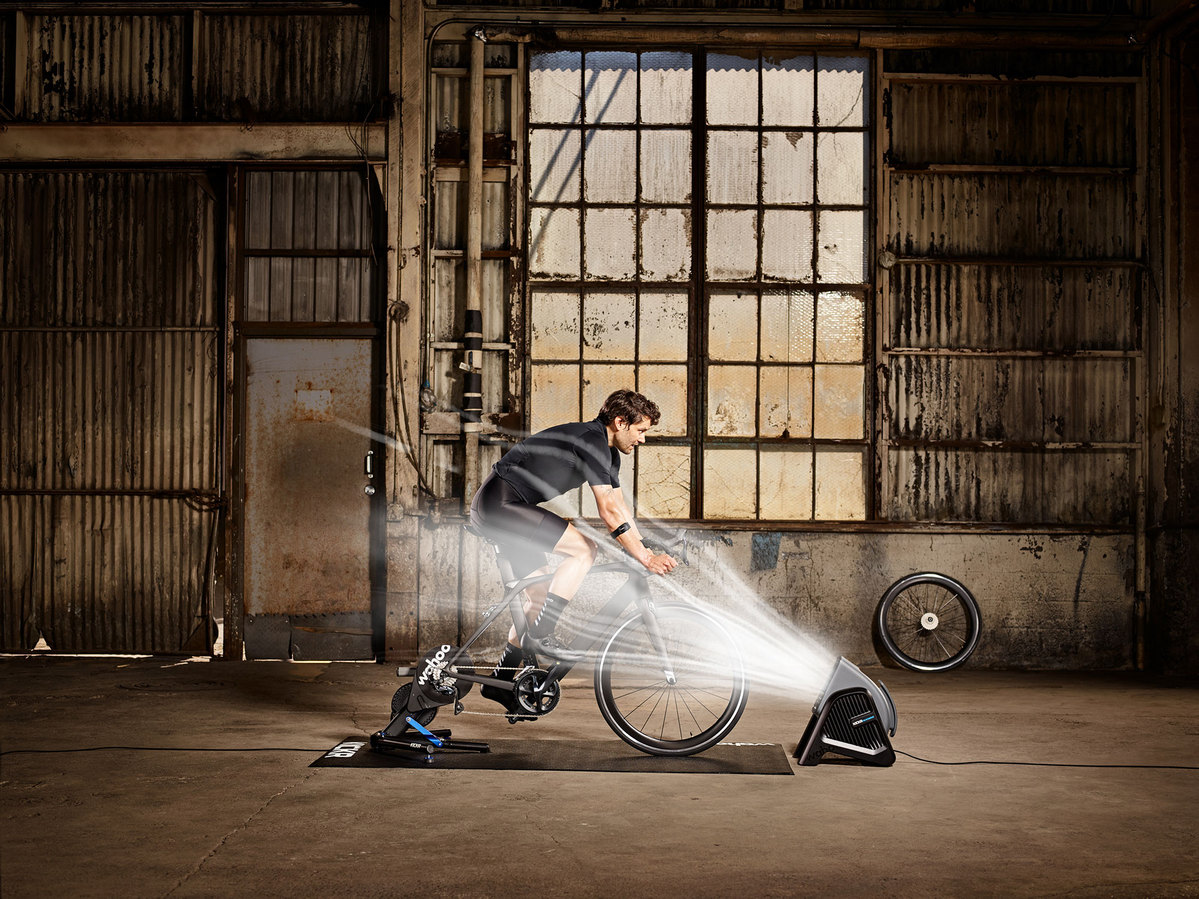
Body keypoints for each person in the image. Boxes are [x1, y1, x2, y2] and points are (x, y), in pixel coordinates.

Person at [469, 388, 678, 716]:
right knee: (584, 549)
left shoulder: (608, 453)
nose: (643, 440)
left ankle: (500, 680)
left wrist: (644, 545)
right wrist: (644, 558)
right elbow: (607, 511)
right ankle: (543, 634)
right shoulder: (591, 440)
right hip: (500, 504)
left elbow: (620, 507)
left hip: (511, 507)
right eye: (641, 431)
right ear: (620, 422)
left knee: (536, 599)